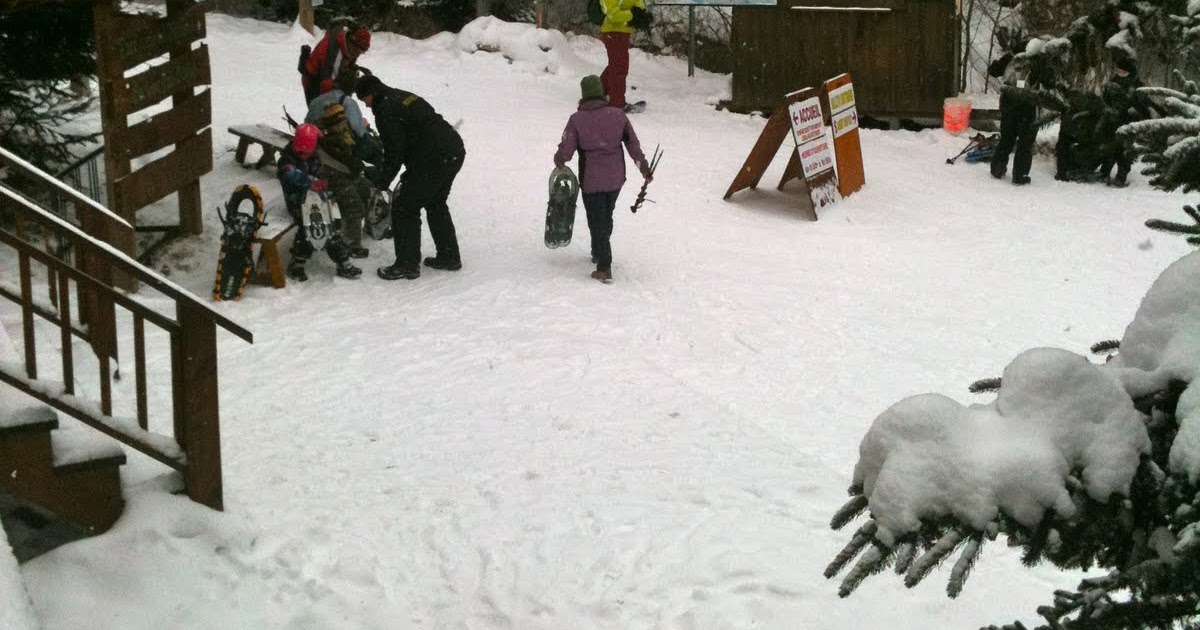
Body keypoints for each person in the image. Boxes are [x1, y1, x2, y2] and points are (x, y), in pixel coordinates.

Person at [355, 75, 465, 281]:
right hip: (453, 149)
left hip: (434, 157)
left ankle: (407, 265)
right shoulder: (400, 96)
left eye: (364, 99)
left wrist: (383, 181)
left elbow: (395, 152)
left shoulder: (386, 111)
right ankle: (449, 256)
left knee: (405, 206)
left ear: (371, 93)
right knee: (435, 202)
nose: (366, 105)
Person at [553, 75, 652, 283]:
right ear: (601, 93)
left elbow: (567, 149)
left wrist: (559, 160)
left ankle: (604, 266)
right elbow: (632, 144)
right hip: (615, 178)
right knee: (605, 215)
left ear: (583, 95)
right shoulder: (618, 115)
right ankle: (598, 250)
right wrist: (644, 167)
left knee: (596, 220)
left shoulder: (576, 119)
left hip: (591, 179)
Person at [305, 70, 383, 258]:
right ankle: (351, 244)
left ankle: (371, 226)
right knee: (353, 204)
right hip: (331, 172)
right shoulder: (343, 113)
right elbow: (357, 136)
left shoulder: (318, 104)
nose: (343, 125)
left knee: (367, 189)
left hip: (333, 167)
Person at [276, 124, 362, 281]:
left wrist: (327, 188)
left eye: (307, 153)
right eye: (301, 152)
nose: (304, 156)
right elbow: (289, 174)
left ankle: (342, 261)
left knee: (330, 227)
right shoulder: (286, 160)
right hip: (296, 201)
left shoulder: (314, 158)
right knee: (308, 228)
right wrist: (309, 182)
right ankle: (297, 262)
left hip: (317, 199)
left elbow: (321, 174)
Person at [988, 38, 1058, 186]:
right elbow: (1050, 82)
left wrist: (1000, 62)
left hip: (1008, 103)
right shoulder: (1038, 61)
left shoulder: (1011, 58)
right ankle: (1020, 176)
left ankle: (997, 169)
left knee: (1007, 138)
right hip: (1028, 105)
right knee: (1025, 142)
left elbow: (993, 71)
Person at [1097, 54, 1151, 187]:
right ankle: (1104, 172)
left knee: (1124, 150)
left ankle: (1121, 177)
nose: (1119, 73)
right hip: (1111, 120)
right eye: (1118, 70)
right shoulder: (1112, 82)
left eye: (1122, 71)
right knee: (1110, 147)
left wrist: (1134, 112)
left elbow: (1143, 105)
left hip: (1128, 121)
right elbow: (1105, 100)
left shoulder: (1136, 85)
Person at [598, 0, 647, 113]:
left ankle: (598, 92)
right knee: (619, 67)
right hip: (612, 32)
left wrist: (639, 11)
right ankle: (617, 104)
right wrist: (632, 15)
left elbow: (638, 2)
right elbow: (612, 14)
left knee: (617, 65)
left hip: (622, 32)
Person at [301, 25, 370, 105]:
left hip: (328, 76)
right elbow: (327, 86)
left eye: (361, 52)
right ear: (351, 41)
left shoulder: (348, 47)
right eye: (356, 50)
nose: (357, 55)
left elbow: (345, 66)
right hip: (314, 81)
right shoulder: (335, 52)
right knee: (320, 108)